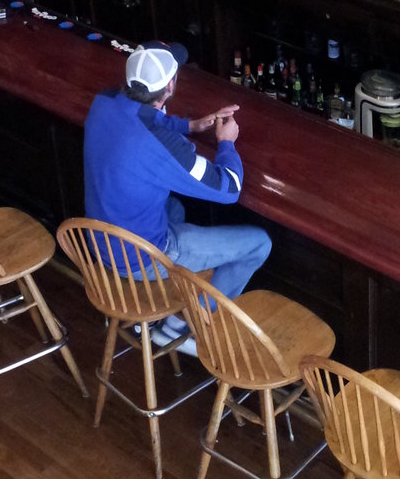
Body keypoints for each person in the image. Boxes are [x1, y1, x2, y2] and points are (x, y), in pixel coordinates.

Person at [84, 41, 271, 350]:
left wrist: (190, 125)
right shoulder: (161, 144)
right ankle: (183, 326)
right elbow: (229, 188)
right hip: (138, 258)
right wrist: (226, 143)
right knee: (259, 243)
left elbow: (142, 116)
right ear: (170, 86)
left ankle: (158, 314)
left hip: (98, 240)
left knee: (174, 207)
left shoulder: (104, 101)